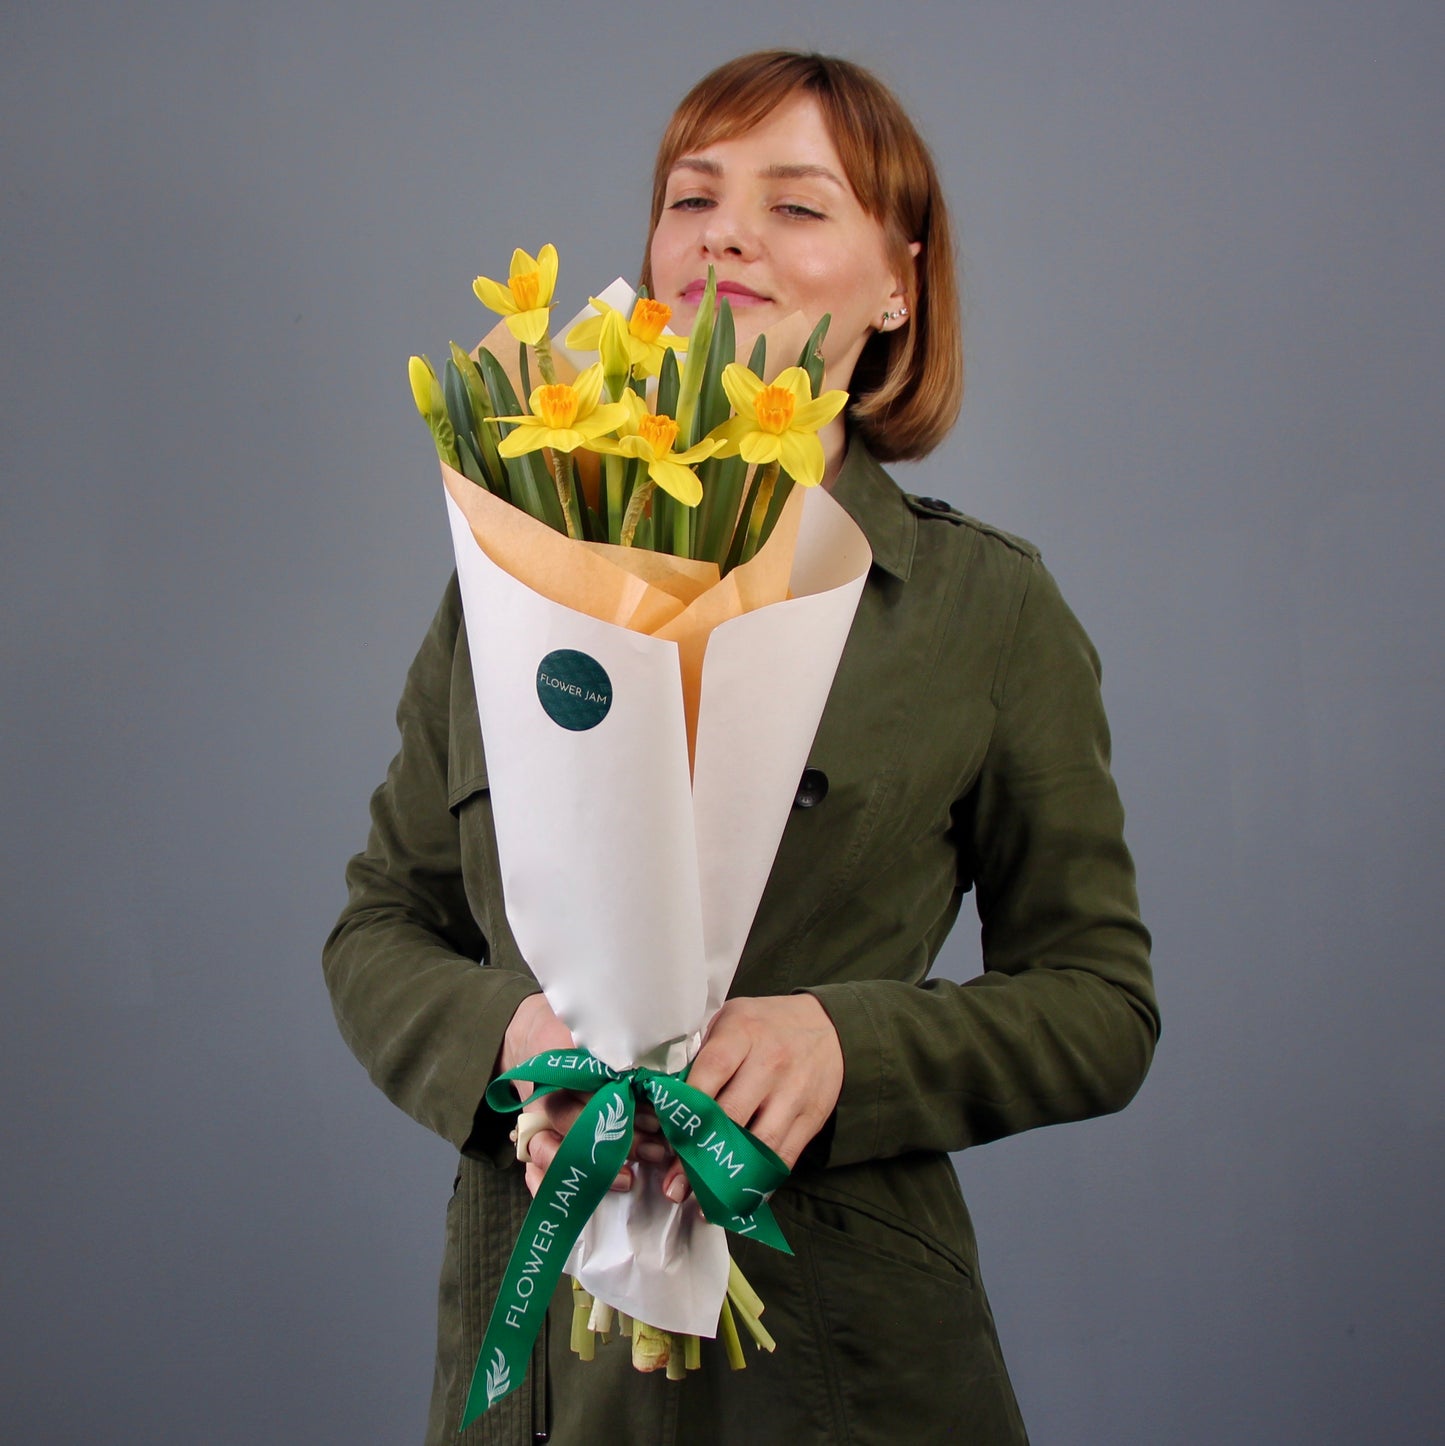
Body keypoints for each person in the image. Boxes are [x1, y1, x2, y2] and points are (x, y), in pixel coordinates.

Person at [324, 50, 1158, 1446]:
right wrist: (512, 1041)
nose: (724, 232)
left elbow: (1101, 1002)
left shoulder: (986, 609)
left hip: (838, 1356)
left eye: (797, 204)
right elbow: (377, 929)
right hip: (536, 1368)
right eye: (691, 195)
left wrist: (845, 1043)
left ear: (899, 280)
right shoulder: (524, 574)